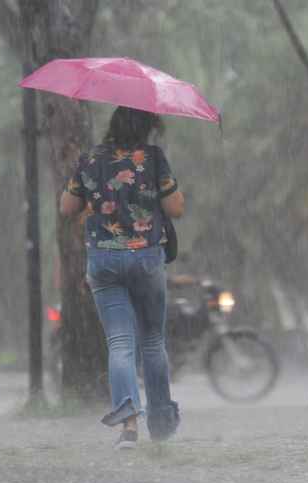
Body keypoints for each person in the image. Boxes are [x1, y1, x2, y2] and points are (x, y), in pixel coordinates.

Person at [59, 106, 184, 450]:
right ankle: (160, 421)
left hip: (104, 261)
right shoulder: (154, 158)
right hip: (146, 258)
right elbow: (176, 208)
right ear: (146, 127)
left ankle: (128, 426)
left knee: (120, 344)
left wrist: (91, 196)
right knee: (153, 342)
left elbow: (67, 207)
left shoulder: (90, 160)